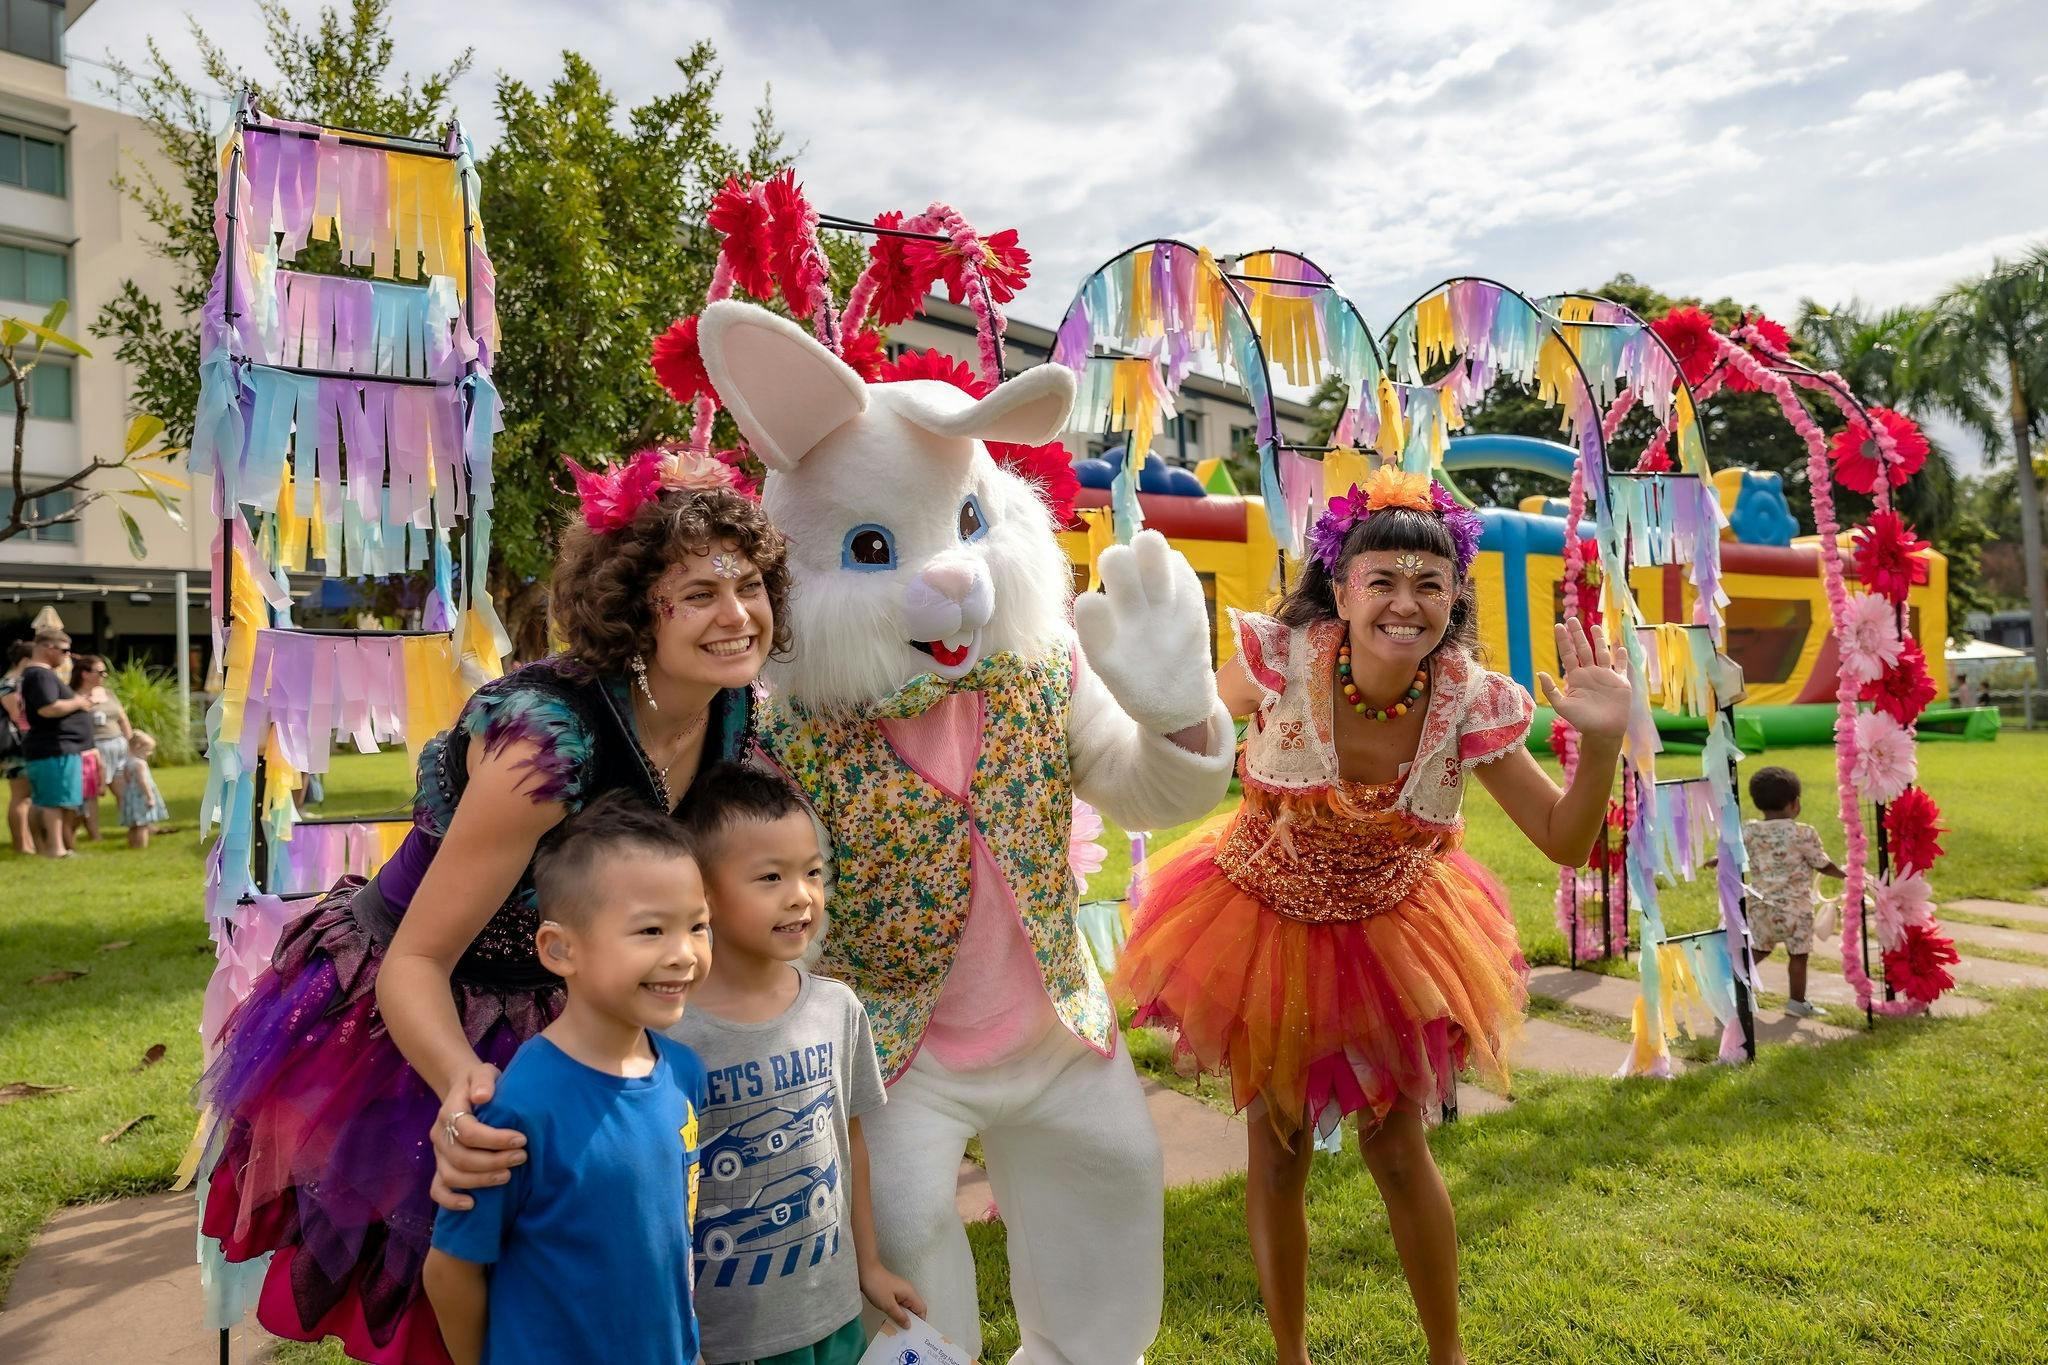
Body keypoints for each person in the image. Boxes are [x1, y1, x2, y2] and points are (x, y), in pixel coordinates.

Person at [199, 448, 787, 1363]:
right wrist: (461, 1092)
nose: (736, 614)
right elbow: (418, 960)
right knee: (457, 1290)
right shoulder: (544, 745)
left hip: (565, 995)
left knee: (575, 1271)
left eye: (748, 585)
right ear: (637, 605)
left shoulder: (733, 713)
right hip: (420, 1009)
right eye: (698, 593)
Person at [1114, 470, 1632, 1365]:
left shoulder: (1471, 698)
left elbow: (1563, 838)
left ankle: (1448, 1355)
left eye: (1429, 584)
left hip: (1396, 933)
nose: (1405, 602)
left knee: (1397, 1149)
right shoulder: (1282, 657)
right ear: (1341, 589)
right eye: (1381, 581)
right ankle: (1292, 1357)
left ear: (1455, 596)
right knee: (1277, 1152)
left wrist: (1605, 744)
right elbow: (1181, 732)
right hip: (1258, 923)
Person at [423, 793, 713, 1365]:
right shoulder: (520, 1109)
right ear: (560, 949)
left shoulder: (685, 1073)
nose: (684, 954)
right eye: (651, 931)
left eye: (699, 926)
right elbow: (450, 1272)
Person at [672, 763, 921, 1365]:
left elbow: (850, 1144)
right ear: (702, 895)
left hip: (831, 1318)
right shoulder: (671, 1034)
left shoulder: (837, 1009)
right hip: (727, 1338)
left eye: (813, 871)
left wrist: (871, 1267)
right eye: (770, 877)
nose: (801, 896)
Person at [1739, 765, 1846, 1018]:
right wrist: (1845, 874)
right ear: (1794, 803)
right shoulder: (1802, 833)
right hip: (1796, 910)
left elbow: (1730, 854)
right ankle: (1797, 1003)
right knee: (1798, 956)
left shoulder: (1749, 830)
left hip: (1761, 907)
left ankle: (1733, 987)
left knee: (1760, 950)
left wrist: (1715, 860)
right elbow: (1822, 864)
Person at [17, 630, 92, 860]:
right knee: (54, 802)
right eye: (65, 650)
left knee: (49, 800)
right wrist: (79, 701)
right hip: (54, 748)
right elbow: (48, 708)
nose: (68, 656)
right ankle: (56, 849)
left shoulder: (38, 675)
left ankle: (47, 847)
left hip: (52, 748)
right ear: (49, 647)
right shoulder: (40, 675)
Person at [71, 653, 131, 843]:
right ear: (84, 674)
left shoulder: (108, 693)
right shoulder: (74, 696)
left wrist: (131, 743)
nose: (104, 676)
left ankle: (135, 827)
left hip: (118, 747)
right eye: (100, 672)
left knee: (125, 791)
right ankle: (94, 835)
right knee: (92, 795)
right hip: (93, 750)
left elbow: (122, 719)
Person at [2, 641, 37, 854]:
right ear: (25, 660)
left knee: (28, 797)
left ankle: (28, 842)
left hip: (25, 744)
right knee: (21, 796)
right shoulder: (9, 684)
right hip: (16, 747)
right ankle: (21, 845)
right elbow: (17, 716)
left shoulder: (18, 682)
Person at [112, 729, 171, 848]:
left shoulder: (127, 763)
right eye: (148, 750)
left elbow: (127, 779)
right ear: (138, 747)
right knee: (143, 825)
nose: (149, 754)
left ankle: (132, 845)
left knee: (133, 825)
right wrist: (150, 797)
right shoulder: (140, 764)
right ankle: (141, 847)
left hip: (130, 796)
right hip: (141, 796)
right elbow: (142, 781)